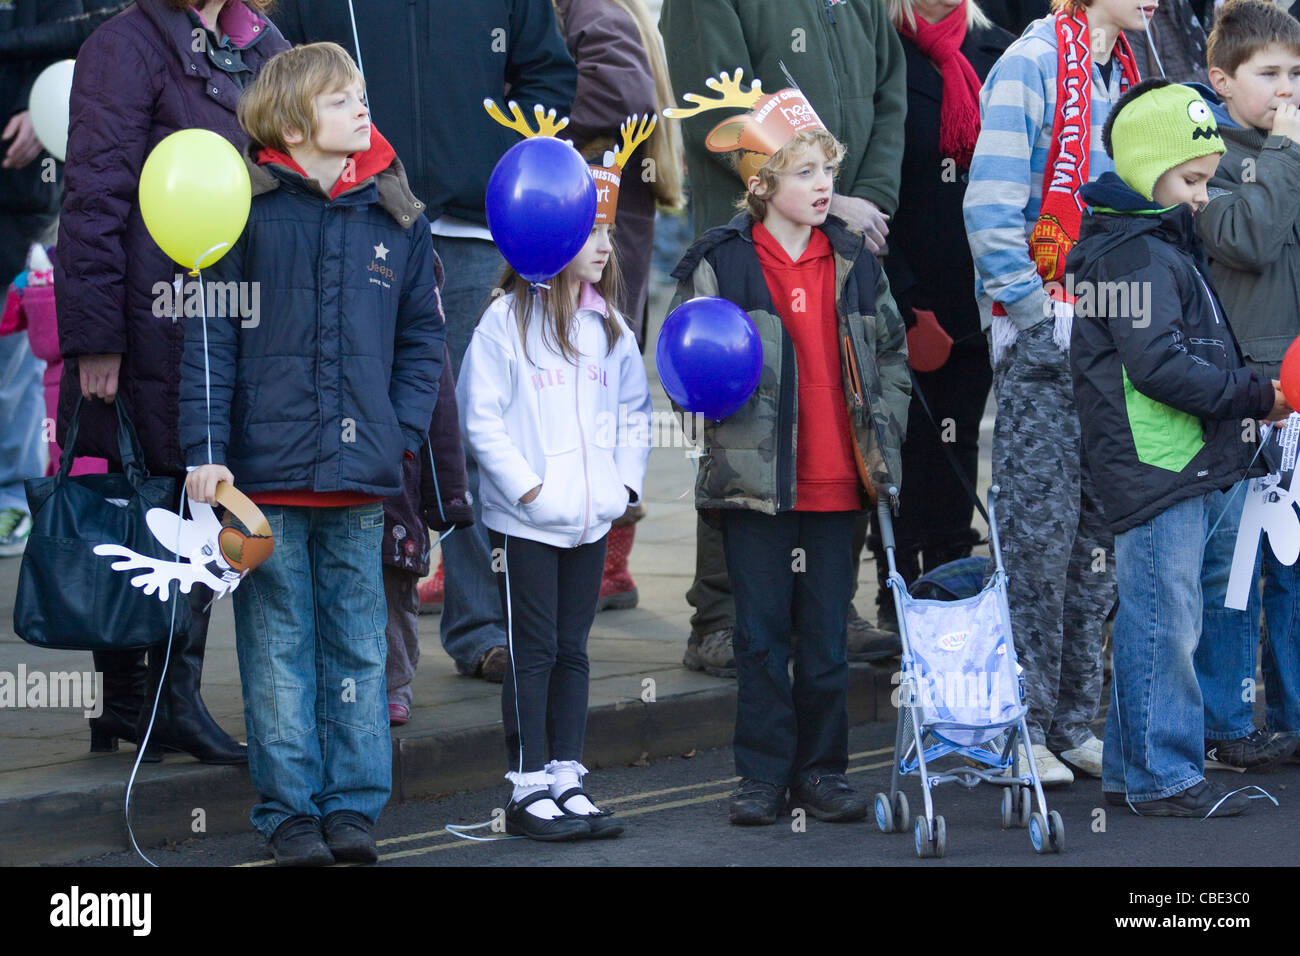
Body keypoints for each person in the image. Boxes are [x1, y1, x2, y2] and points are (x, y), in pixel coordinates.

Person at [181, 42, 444, 865]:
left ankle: (353, 808)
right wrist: (210, 450)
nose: (361, 108)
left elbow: (422, 338)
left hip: (362, 481)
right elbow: (208, 335)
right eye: (341, 100)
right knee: (277, 648)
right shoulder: (242, 209)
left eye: (361, 95)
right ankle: (290, 813)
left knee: (361, 646)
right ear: (293, 123)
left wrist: (399, 434)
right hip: (263, 482)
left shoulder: (396, 214)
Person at [273, 0, 577, 684]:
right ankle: (367, 647)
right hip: (352, 219)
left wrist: (491, 158)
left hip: (473, 232)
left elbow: (548, 80)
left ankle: (484, 627)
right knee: (358, 431)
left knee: (478, 431)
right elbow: (276, 74)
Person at [665, 69, 910, 824]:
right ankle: (762, 776)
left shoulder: (854, 259)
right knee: (761, 637)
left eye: (829, 171)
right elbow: (680, 363)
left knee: (827, 642)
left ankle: (823, 772)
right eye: (805, 172)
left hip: (841, 482)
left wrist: (888, 427)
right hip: (757, 489)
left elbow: (893, 354)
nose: (824, 184)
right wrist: (704, 419)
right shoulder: (720, 261)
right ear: (763, 182)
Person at [56, 0, 289, 763]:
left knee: (193, 499)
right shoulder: (122, 45)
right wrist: (95, 339)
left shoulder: (261, 40)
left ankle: (157, 697)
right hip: (143, 325)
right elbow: (92, 199)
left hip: (225, 322)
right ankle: (138, 698)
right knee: (137, 501)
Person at [1066, 78, 1289, 815]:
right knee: (1168, 619)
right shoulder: (1131, 255)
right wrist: (1258, 396)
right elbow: (1159, 367)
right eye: (1192, 179)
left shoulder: (1149, 244)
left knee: (1156, 616)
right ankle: (1167, 774)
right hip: (1155, 461)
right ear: (1144, 168)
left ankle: (1138, 769)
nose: (1202, 195)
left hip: (1168, 458)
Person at [962, 0, 1146, 785]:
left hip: (1116, 341)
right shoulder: (1033, 62)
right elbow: (989, 207)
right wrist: (1037, 322)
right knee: (1038, 540)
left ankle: (1072, 723)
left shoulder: (1132, 71)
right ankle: (1019, 729)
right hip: (1047, 338)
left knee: (1097, 543)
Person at [457, 107, 653, 841]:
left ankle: (567, 775)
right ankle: (527, 785)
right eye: (592, 231)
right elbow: (481, 418)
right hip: (529, 524)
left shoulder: (610, 326)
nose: (605, 246)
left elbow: (634, 410)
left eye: (606, 232)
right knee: (531, 651)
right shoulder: (504, 321)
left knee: (574, 649)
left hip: (591, 516)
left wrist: (623, 486)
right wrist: (530, 489)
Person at [862, 0, 1013, 648]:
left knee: (956, 446)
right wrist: (907, 295)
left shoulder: (997, 50)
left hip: (977, 294)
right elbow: (871, 180)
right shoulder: (880, 50)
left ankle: (951, 585)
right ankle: (897, 585)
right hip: (903, 289)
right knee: (902, 445)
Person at [1193, 0, 1300, 770]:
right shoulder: (1211, 162)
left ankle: (1293, 714)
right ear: (1221, 81)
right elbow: (1250, 240)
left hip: (1297, 383)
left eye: (1297, 74)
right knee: (1238, 568)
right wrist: (1288, 155)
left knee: (1292, 568)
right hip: (1246, 390)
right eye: (1269, 75)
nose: (1287, 90)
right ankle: (1228, 722)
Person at [552, 0, 686, 614]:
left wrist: (538, 118)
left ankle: (607, 563)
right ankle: (608, 562)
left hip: (598, 210)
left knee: (601, 383)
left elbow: (629, 92)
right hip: (607, 209)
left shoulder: (588, 3)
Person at [382, 344, 473, 727]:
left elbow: (442, 407)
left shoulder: (417, 297)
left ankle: (393, 685)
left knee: (393, 588)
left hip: (398, 478)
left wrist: (449, 496)